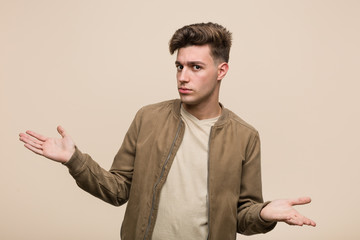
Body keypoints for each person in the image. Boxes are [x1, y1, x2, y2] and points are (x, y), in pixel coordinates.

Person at [19, 22, 316, 240]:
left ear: (221, 71)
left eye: (196, 67)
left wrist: (263, 213)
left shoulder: (245, 136)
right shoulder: (148, 118)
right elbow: (118, 189)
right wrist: (74, 159)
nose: (183, 77)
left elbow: (240, 216)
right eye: (179, 66)